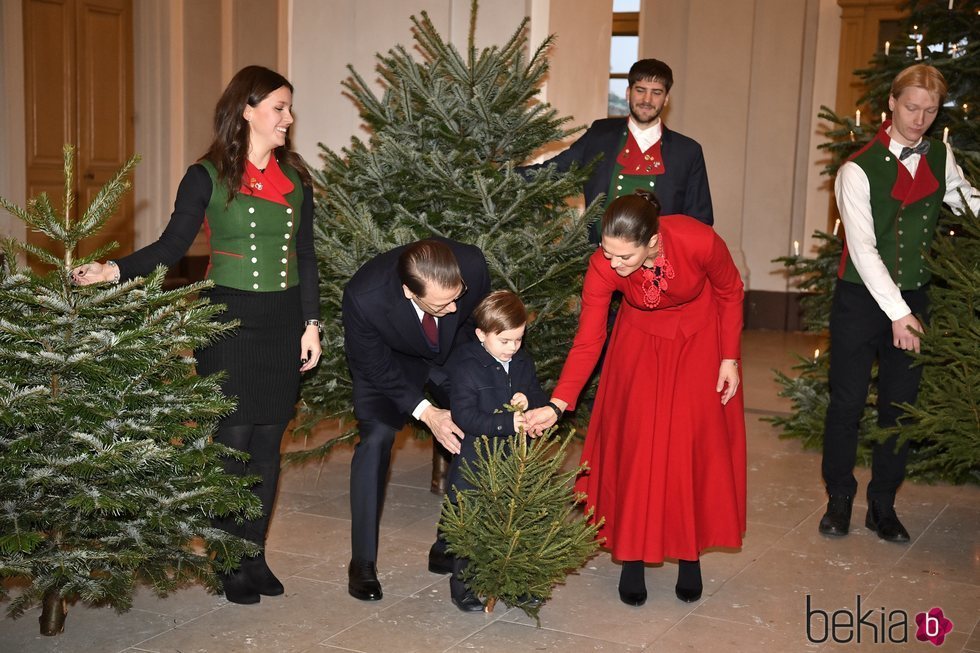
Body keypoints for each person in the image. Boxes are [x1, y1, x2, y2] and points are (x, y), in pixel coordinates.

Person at [70, 65, 321, 605]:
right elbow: (171, 246)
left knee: (268, 448)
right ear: (247, 109)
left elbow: (305, 256)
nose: (288, 118)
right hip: (227, 319)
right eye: (279, 107)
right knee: (232, 442)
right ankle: (227, 557)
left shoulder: (295, 178)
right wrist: (113, 271)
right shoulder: (206, 175)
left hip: (282, 323)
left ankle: (254, 553)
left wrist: (311, 324)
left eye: (288, 108)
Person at [524, 190, 745, 607]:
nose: (614, 264)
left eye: (624, 257)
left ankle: (689, 553)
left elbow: (731, 292)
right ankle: (631, 555)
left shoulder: (698, 240)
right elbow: (588, 341)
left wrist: (729, 356)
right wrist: (558, 404)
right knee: (638, 446)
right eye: (607, 252)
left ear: (654, 242)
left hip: (699, 340)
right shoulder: (602, 267)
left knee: (689, 446)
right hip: (639, 342)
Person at [818, 64, 980, 543]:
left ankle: (882, 505)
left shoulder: (941, 156)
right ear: (890, 103)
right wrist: (899, 313)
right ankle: (840, 500)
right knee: (846, 404)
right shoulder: (856, 169)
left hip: (915, 294)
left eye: (930, 112)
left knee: (900, 406)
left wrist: (910, 308)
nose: (920, 119)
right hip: (861, 298)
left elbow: (966, 200)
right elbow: (863, 250)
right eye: (912, 107)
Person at [342, 238, 490, 601]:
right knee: (375, 440)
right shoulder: (365, 297)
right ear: (410, 292)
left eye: (457, 296)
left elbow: (480, 321)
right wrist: (426, 411)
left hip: (451, 349)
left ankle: (447, 541)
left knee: (477, 425)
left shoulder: (471, 265)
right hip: (389, 363)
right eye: (442, 303)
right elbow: (373, 365)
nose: (454, 305)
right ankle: (362, 562)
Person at [442, 290, 551, 612]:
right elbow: (465, 416)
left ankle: (512, 584)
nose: (512, 348)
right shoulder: (465, 365)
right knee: (470, 524)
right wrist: (507, 421)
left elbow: (537, 392)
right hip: (475, 460)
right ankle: (463, 585)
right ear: (481, 335)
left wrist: (529, 401)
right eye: (504, 341)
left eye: (518, 340)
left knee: (511, 523)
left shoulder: (520, 359)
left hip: (514, 461)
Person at [523, 58, 713, 242]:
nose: (647, 99)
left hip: (659, 266)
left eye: (656, 92)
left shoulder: (688, 152)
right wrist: (500, 178)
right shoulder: (599, 135)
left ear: (666, 99)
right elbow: (553, 170)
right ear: (628, 92)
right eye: (640, 90)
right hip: (598, 257)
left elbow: (700, 221)